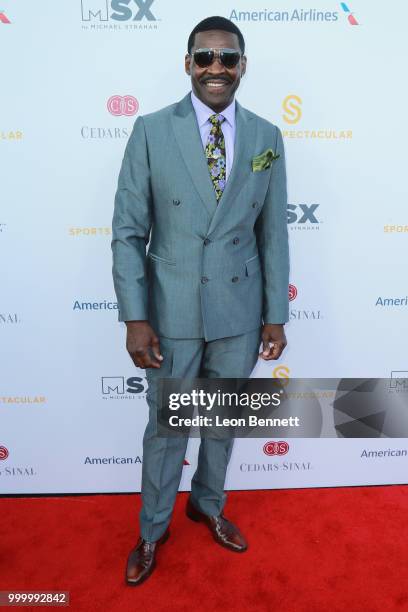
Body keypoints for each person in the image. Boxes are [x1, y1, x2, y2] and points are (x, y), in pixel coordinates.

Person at [111, 15, 289, 586]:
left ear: (242, 66)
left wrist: (275, 315)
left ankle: (207, 505)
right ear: (188, 63)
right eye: (205, 57)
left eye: (228, 58)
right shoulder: (151, 130)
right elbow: (127, 230)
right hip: (172, 310)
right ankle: (152, 527)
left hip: (239, 311)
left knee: (221, 421)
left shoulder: (265, 136)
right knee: (166, 429)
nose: (217, 68)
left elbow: (273, 234)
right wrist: (136, 317)